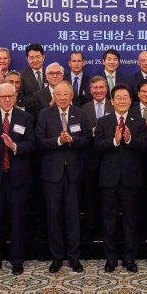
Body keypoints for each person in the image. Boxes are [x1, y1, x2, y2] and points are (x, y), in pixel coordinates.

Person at [0, 82, 36, 276]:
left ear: (15, 97)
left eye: (10, 96)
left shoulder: (25, 117)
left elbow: (32, 144)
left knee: (17, 221)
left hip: (17, 178)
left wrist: (14, 147)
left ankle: (17, 260)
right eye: (3, 97)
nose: (7, 100)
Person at [36, 80, 93, 273]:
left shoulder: (80, 113)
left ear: (71, 96)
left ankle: (74, 257)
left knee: (73, 216)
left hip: (74, 174)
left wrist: (73, 140)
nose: (62, 98)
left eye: (65, 94)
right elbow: (39, 140)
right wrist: (59, 141)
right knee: (54, 217)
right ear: (54, 96)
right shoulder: (45, 114)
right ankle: (56, 257)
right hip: (52, 175)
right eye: (58, 94)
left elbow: (88, 139)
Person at [95, 83, 147, 272]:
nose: (122, 100)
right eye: (119, 98)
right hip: (108, 179)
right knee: (109, 220)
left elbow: (144, 146)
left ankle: (130, 258)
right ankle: (110, 258)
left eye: (126, 97)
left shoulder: (139, 121)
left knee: (130, 220)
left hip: (131, 179)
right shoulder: (103, 121)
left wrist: (129, 140)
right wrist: (115, 141)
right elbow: (97, 146)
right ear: (112, 101)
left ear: (131, 100)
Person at [80, 75, 113, 239]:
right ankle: (91, 230)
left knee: (109, 198)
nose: (98, 91)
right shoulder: (83, 108)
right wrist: (93, 131)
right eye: (95, 88)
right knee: (90, 196)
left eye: (101, 87)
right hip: (90, 159)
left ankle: (109, 230)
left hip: (110, 158)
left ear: (106, 89)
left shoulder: (114, 105)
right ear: (90, 90)